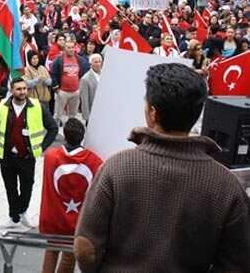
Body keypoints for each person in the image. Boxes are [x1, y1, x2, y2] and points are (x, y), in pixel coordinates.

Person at [75, 63, 250, 272]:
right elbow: (237, 262)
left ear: (152, 112)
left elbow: (85, 248)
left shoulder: (115, 168)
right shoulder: (228, 185)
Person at [0, 77, 58, 229]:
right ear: (11, 90)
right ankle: (13, 217)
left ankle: (22, 211)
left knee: (27, 186)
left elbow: (53, 128)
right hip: (7, 156)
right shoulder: (2, 106)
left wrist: (41, 147)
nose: (22, 92)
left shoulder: (37, 106)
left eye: (24, 89)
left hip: (27, 156)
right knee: (10, 188)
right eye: (19, 89)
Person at [39, 119, 102, 273]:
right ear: (83, 136)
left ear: (65, 136)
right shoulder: (95, 161)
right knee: (69, 256)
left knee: (51, 251)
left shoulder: (50, 156)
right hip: (76, 222)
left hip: (52, 218)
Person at [50, 41, 89, 126]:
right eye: (68, 47)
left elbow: (84, 72)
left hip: (75, 91)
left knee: (72, 115)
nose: (71, 49)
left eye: (72, 47)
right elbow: (52, 73)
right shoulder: (59, 59)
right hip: (63, 91)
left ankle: (70, 132)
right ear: (64, 49)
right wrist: (56, 88)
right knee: (57, 114)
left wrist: (80, 88)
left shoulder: (79, 59)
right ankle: (55, 131)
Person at [78, 53, 102, 124]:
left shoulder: (105, 74)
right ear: (91, 64)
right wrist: (87, 117)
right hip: (92, 112)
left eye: (99, 61)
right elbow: (84, 100)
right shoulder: (85, 79)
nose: (98, 64)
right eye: (96, 62)